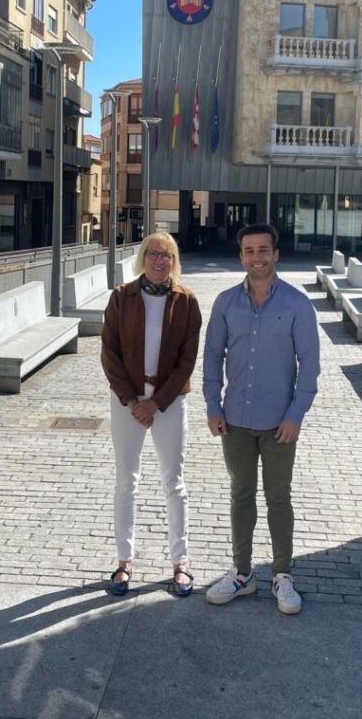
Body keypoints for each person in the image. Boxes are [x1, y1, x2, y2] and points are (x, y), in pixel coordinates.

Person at [203, 223, 320, 614]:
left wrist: (296, 414)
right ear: (241, 257)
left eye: (263, 250)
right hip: (234, 419)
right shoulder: (225, 303)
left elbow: (310, 364)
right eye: (249, 251)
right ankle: (242, 574)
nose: (257, 257)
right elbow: (212, 356)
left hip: (279, 423)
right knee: (241, 494)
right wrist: (213, 405)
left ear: (276, 254)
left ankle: (282, 575)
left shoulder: (297, 304)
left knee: (278, 497)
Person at [101, 231, 201, 597]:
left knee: (174, 482)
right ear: (143, 257)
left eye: (167, 255)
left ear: (175, 262)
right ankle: (124, 561)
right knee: (126, 481)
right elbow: (109, 353)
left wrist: (156, 402)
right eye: (154, 254)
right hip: (127, 402)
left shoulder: (186, 301)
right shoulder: (121, 297)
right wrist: (132, 401)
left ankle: (180, 562)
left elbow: (187, 360)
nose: (160, 261)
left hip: (169, 403)